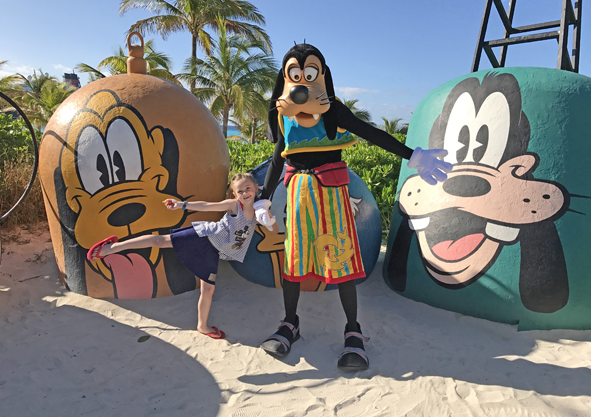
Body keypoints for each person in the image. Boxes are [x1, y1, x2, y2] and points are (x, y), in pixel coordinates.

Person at [260, 43, 452, 371]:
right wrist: (264, 196)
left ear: (321, 74)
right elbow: (280, 154)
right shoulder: (281, 113)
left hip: (331, 195)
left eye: (310, 73)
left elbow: (370, 132)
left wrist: (414, 156)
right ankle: (290, 323)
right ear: (286, 76)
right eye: (295, 73)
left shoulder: (332, 109)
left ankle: (353, 332)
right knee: (293, 261)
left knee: (341, 262)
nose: (303, 80)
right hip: (297, 195)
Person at [87, 173, 278, 339]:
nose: (245, 194)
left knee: (208, 291)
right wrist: (182, 205)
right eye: (240, 191)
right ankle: (110, 248)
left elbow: (275, 231)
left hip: (213, 253)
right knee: (160, 241)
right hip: (204, 236)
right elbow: (207, 205)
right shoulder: (234, 205)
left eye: (248, 189)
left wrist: (270, 218)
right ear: (235, 194)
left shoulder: (258, 212)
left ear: (256, 188)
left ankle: (202, 326)